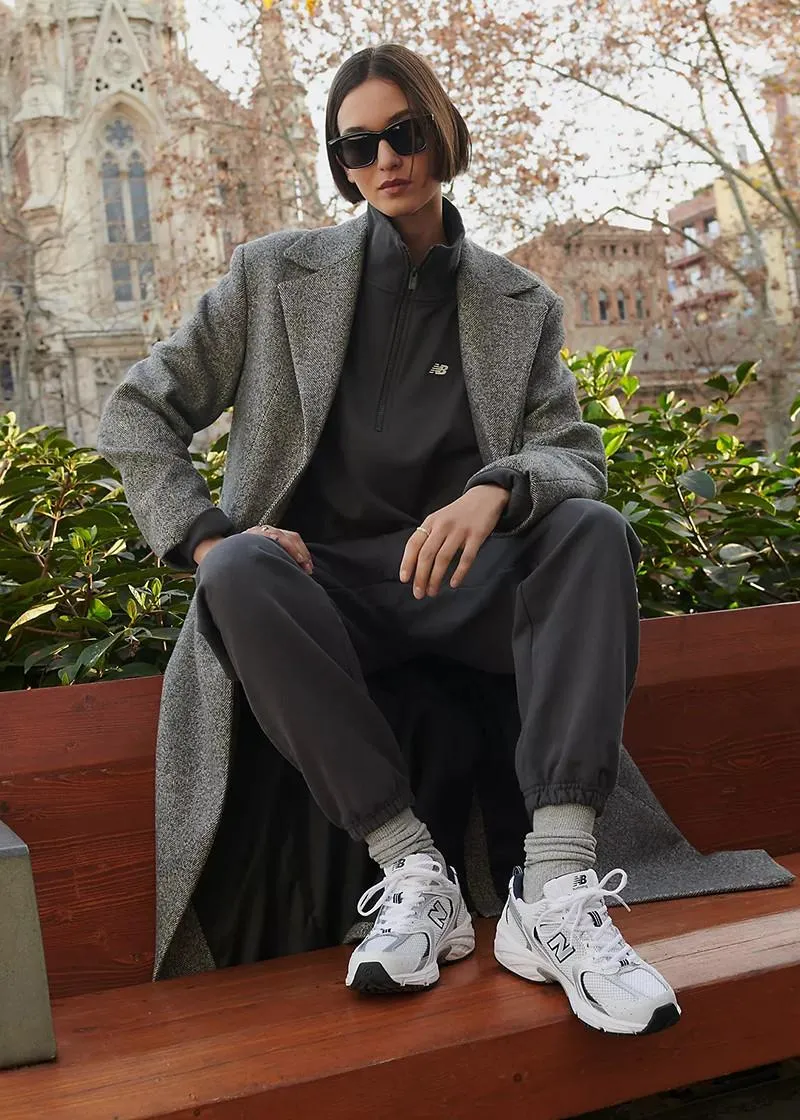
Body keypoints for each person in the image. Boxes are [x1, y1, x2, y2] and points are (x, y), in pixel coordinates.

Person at [98, 43, 680, 1036]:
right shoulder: (273, 275)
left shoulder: (518, 303)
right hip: (325, 595)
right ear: (340, 163)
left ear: (440, 134)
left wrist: (496, 490)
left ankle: (552, 890)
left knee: (589, 529)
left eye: (402, 134)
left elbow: (572, 453)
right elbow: (135, 411)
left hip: (464, 589)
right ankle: (413, 871)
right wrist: (202, 534)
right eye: (355, 146)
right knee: (235, 568)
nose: (383, 161)